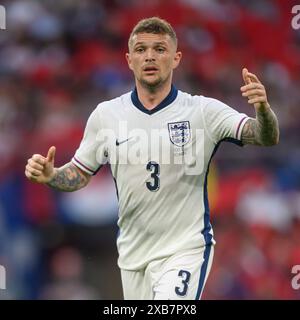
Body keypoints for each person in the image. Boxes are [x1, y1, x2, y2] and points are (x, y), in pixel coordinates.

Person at [25, 17, 279, 300]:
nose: (150, 56)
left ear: (176, 58)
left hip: (185, 249)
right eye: (141, 49)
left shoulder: (203, 111)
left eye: (160, 49)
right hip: (133, 255)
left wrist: (264, 111)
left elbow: (263, 136)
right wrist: (51, 176)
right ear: (129, 59)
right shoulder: (106, 115)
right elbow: (79, 173)